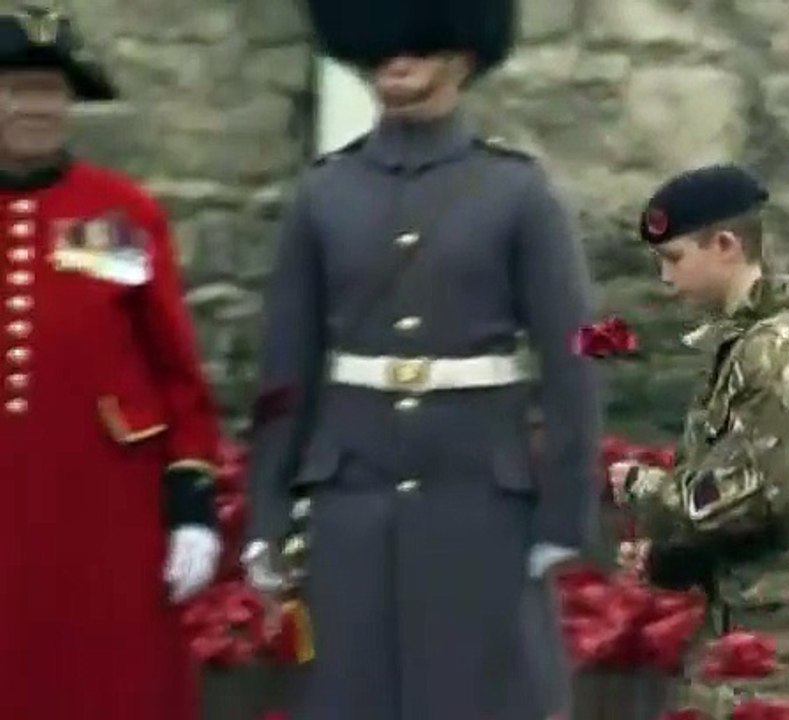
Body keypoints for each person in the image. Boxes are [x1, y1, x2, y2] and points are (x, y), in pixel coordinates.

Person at [242, 0, 602, 717]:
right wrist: (269, 512)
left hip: (479, 497)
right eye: (381, 50)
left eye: (417, 47)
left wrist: (564, 513)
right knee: (355, 691)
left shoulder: (516, 192)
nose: (395, 62)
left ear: (462, 57)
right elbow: (286, 374)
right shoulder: (325, 193)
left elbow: (574, 365)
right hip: (352, 497)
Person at [0, 5, 222, 720]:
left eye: (48, 90)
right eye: (14, 88)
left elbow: (175, 373)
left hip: (102, 511)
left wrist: (192, 508)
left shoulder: (112, 216)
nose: (33, 106)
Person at [608, 164, 789, 718]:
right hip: (748, 629)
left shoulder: (773, 352)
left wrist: (646, 488)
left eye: (675, 259)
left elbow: (750, 495)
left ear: (727, 245)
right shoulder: (737, 346)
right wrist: (669, 561)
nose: (666, 279)